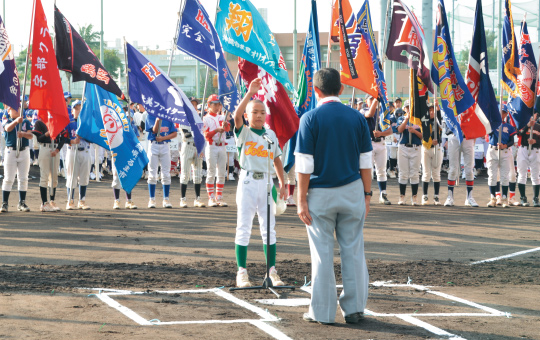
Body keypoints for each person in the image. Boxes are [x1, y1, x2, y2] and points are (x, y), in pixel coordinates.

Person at [296, 68, 372, 325]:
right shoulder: (358, 118)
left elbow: (304, 165)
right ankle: (355, 309)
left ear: (316, 91)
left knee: (322, 253)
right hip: (352, 190)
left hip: (320, 194)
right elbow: (366, 162)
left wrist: (301, 199)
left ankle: (323, 312)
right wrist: (368, 195)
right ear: (341, 89)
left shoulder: (310, 118)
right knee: (353, 250)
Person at [232, 78, 287, 289]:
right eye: (254, 112)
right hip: (247, 181)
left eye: (262, 112)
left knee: (269, 229)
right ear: (248, 115)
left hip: (266, 182)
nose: (259, 115)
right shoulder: (244, 132)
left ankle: (271, 270)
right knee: (244, 227)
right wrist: (249, 93)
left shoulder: (270, 135)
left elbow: (276, 159)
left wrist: (282, 182)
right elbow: (236, 116)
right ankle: (242, 272)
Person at [32, 116, 68, 212]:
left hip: (55, 149)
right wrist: (48, 134)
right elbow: (39, 139)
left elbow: (63, 138)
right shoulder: (39, 122)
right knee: (44, 176)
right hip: (45, 148)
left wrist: (57, 150)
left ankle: (52, 201)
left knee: (54, 177)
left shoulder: (57, 122)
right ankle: (44, 203)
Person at [361, 95, 392, 205]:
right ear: (366, 101)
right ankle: (365, 194)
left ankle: (383, 194)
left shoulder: (383, 112)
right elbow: (370, 114)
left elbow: (390, 130)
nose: (373, 100)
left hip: (381, 142)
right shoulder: (363, 110)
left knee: (381, 170)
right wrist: (375, 100)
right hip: (369, 143)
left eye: (374, 99)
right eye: (370, 99)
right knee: (367, 170)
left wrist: (381, 134)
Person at [1, 106, 33, 212]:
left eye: (18, 108)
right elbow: (7, 128)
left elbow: (30, 135)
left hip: (24, 151)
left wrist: (23, 134)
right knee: (8, 178)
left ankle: (22, 202)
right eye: (13, 109)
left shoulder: (25, 122)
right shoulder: (7, 120)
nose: (17, 110)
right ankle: (5, 203)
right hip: (11, 151)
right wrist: (16, 121)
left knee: (23, 178)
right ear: (8, 111)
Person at [145, 113, 177, 208]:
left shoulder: (168, 116)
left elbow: (174, 133)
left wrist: (163, 138)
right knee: (152, 173)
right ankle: (152, 199)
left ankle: (166, 199)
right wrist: (158, 120)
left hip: (165, 145)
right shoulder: (150, 115)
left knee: (166, 173)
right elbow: (154, 131)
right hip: (153, 145)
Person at [203, 94, 230, 207]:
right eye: (214, 104)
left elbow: (228, 129)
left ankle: (219, 196)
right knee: (211, 172)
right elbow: (206, 135)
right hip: (212, 145)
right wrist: (216, 131)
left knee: (221, 173)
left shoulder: (222, 117)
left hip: (222, 146)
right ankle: (211, 198)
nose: (216, 106)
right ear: (209, 105)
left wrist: (226, 125)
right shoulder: (205, 118)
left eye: (218, 104)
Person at [486, 106, 516, 207]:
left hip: (504, 151)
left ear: (506, 114)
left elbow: (512, 140)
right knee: (492, 176)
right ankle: (493, 198)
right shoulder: (491, 124)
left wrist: (505, 145)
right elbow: (488, 132)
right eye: (500, 112)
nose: (501, 114)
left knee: (504, 176)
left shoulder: (509, 126)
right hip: (492, 150)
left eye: (503, 112)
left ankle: (504, 199)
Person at [444, 121, 478, 207]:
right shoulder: (452, 107)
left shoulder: (469, 107)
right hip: (454, 136)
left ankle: (469, 197)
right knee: (452, 169)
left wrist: (474, 136)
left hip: (468, 137)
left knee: (469, 169)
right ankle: (450, 197)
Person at [65, 100, 91, 210]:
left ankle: (82, 201)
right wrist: (71, 141)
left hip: (85, 150)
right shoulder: (69, 123)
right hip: (72, 150)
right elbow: (63, 138)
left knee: (84, 177)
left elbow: (93, 138)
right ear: (72, 111)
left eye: (80, 108)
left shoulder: (86, 123)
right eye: (76, 108)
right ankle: (70, 201)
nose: (78, 110)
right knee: (72, 177)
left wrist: (83, 135)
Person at [396, 100, 422, 205]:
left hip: (415, 147)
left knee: (415, 173)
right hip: (403, 147)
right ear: (404, 109)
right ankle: (402, 196)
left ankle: (414, 197)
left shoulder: (418, 120)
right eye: (407, 107)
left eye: (411, 107)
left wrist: (414, 131)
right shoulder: (401, 118)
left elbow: (423, 136)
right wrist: (407, 119)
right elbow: (399, 130)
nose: (409, 109)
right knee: (403, 173)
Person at [421, 103, 443, 205]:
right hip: (426, 147)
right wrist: (430, 141)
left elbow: (441, 122)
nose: (431, 112)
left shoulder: (438, 121)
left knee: (436, 173)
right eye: (429, 110)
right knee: (426, 173)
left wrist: (437, 108)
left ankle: (436, 196)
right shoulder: (424, 120)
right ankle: (424, 196)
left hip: (437, 148)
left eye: (433, 110)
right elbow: (423, 135)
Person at [515, 113, 540, 206]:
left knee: (536, 175)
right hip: (523, 149)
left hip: (535, 150)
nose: (532, 116)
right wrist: (527, 126)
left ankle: (536, 198)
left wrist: (535, 141)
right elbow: (519, 133)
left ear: (536, 116)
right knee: (522, 174)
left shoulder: (538, 126)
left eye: (534, 115)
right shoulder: (521, 125)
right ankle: (523, 198)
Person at [179, 126, 205, 208]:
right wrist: (197, 132)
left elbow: (202, 134)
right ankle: (183, 199)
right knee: (185, 174)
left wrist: (201, 148)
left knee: (198, 174)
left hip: (197, 146)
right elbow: (187, 134)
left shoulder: (198, 120)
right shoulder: (183, 119)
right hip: (187, 146)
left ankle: (197, 199)